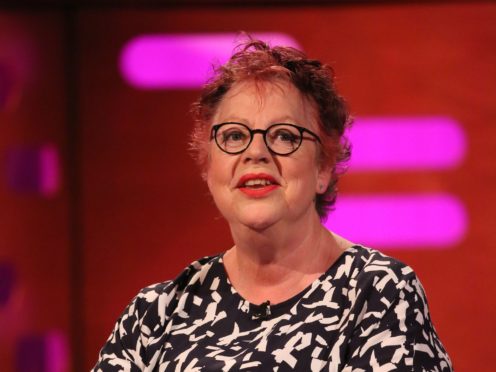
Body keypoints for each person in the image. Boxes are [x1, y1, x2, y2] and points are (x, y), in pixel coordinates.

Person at [93, 40, 452, 371]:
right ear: (208, 166)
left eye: (284, 136)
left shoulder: (378, 293)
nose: (256, 152)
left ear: (323, 167)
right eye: (234, 135)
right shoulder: (156, 314)